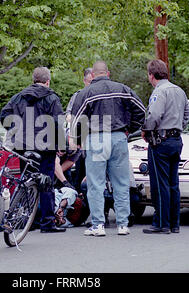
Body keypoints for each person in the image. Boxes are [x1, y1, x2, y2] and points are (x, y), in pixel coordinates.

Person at [70, 61, 146, 236]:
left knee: (95, 184)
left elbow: (75, 120)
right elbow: (141, 110)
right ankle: (122, 224)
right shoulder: (123, 89)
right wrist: (129, 129)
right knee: (121, 182)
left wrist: (79, 138)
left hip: (96, 139)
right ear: (108, 73)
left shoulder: (86, 93)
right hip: (119, 137)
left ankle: (98, 225)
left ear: (93, 75)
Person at [0, 66, 66, 233]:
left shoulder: (18, 97)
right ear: (47, 81)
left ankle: (29, 220)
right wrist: (61, 145)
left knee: (27, 181)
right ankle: (47, 222)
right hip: (46, 147)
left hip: (24, 146)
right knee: (46, 183)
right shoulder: (51, 98)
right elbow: (58, 123)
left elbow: (4, 115)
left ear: (33, 80)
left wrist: (17, 130)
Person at [141, 59, 189, 234]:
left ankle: (161, 223)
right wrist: (177, 128)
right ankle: (174, 223)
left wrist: (147, 131)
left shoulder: (159, 92)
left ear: (151, 75)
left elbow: (154, 115)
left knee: (159, 184)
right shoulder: (179, 91)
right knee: (173, 183)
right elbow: (187, 114)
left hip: (160, 142)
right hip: (176, 140)